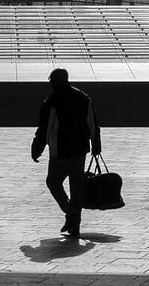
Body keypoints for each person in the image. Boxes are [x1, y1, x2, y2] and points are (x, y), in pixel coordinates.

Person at [31, 68, 101, 237]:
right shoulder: (83, 97)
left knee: (53, 182)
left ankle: (71, 212)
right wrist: (96, 144)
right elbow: (92, 123)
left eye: (50, 80)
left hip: (60, 150)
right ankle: (74, 224)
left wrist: (37, 148)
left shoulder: (52, 101)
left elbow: (45, 129)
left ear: (54, 81)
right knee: (76, 185)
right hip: (80, 149)